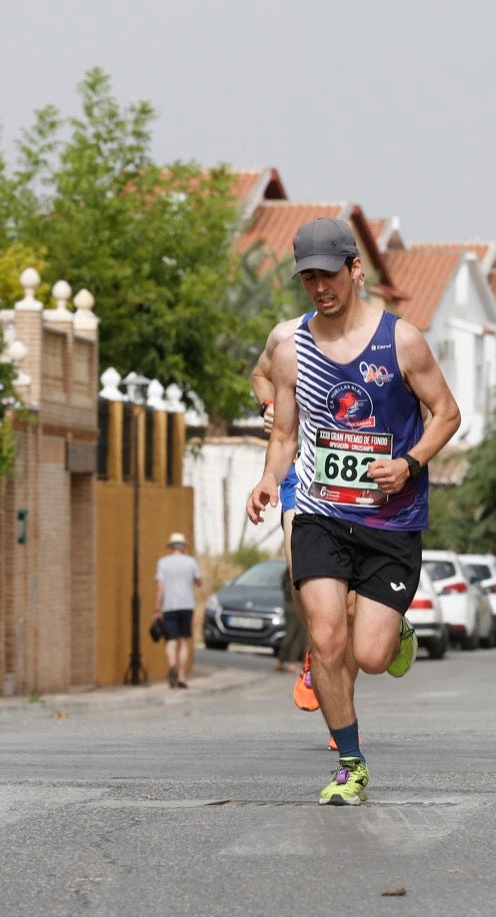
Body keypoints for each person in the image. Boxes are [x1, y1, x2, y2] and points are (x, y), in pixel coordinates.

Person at [247, 217, 461, 805]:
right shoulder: (293, 348)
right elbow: (286, 434)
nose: (320, 287)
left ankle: (393, 629)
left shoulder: (403, 341)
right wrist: (269, 479)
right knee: (325, 637)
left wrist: (411, 463)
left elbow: (447, 413)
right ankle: (350, 763)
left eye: (329, 274)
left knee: (368, 654)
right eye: (308, 277)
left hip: (391, 519)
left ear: (355, 270)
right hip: (320, 510)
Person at [252, 312, 327, 717]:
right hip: (301, 472)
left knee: (348, 612)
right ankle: (316, 650)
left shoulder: (382, 340)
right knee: (303, 578)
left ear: (355, 274)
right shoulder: (287, 335)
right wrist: (268, 404)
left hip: (358, 486)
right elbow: (261, 375)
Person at [153, 532, 202, 689]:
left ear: (170, 548)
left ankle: (172, 665)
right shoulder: (191, 562)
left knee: (171, 641)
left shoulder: (163, 563)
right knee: (183, 641)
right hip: (187, 605)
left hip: (169, 606)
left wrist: (156, 609)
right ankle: (181, 676)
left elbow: (160, 587)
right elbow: (199, 582)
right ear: (184, 548)